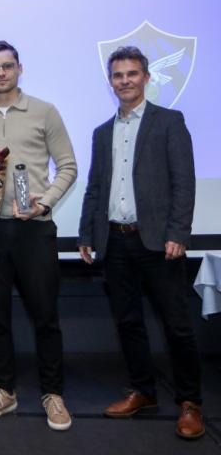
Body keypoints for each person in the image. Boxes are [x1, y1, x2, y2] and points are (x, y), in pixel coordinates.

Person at [78, 46, 204, 439]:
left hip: (158, 244)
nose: (125, 81)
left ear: (146, 78)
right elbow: (96, 188)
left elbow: (184, 182)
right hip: (115, 242)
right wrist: (86, 234)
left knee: (177, 326)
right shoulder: (102, 132)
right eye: (118, 75)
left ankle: (190, 403)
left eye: (132, 74)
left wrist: (178, 234)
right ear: (110, 81)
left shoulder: (169, 122)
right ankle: (144, 392)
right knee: (128, 323)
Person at [0, 41, 77, 431]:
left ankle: (53, 395)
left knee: (45, 317)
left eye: (8, 66)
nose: (1, 73)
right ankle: (4, 391)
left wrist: (46, 203)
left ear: (19, 69)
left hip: (34, 229)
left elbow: (68, 167)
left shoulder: (45, 111)